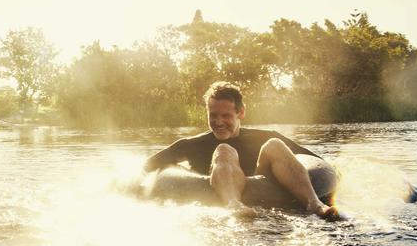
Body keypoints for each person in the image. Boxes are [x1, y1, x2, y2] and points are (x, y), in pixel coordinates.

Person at [143, 82, 340, 220]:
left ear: (241, 113)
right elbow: (147, 166)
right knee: (224, 150)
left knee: (275, 144)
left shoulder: (264, 136)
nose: (219, 122)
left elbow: (314, 161)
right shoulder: (190, 145)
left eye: (226, 115)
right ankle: (233, 204)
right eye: (213, 115)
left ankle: (314, 204)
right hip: (223, 195)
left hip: (267, 189)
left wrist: (332, 173)